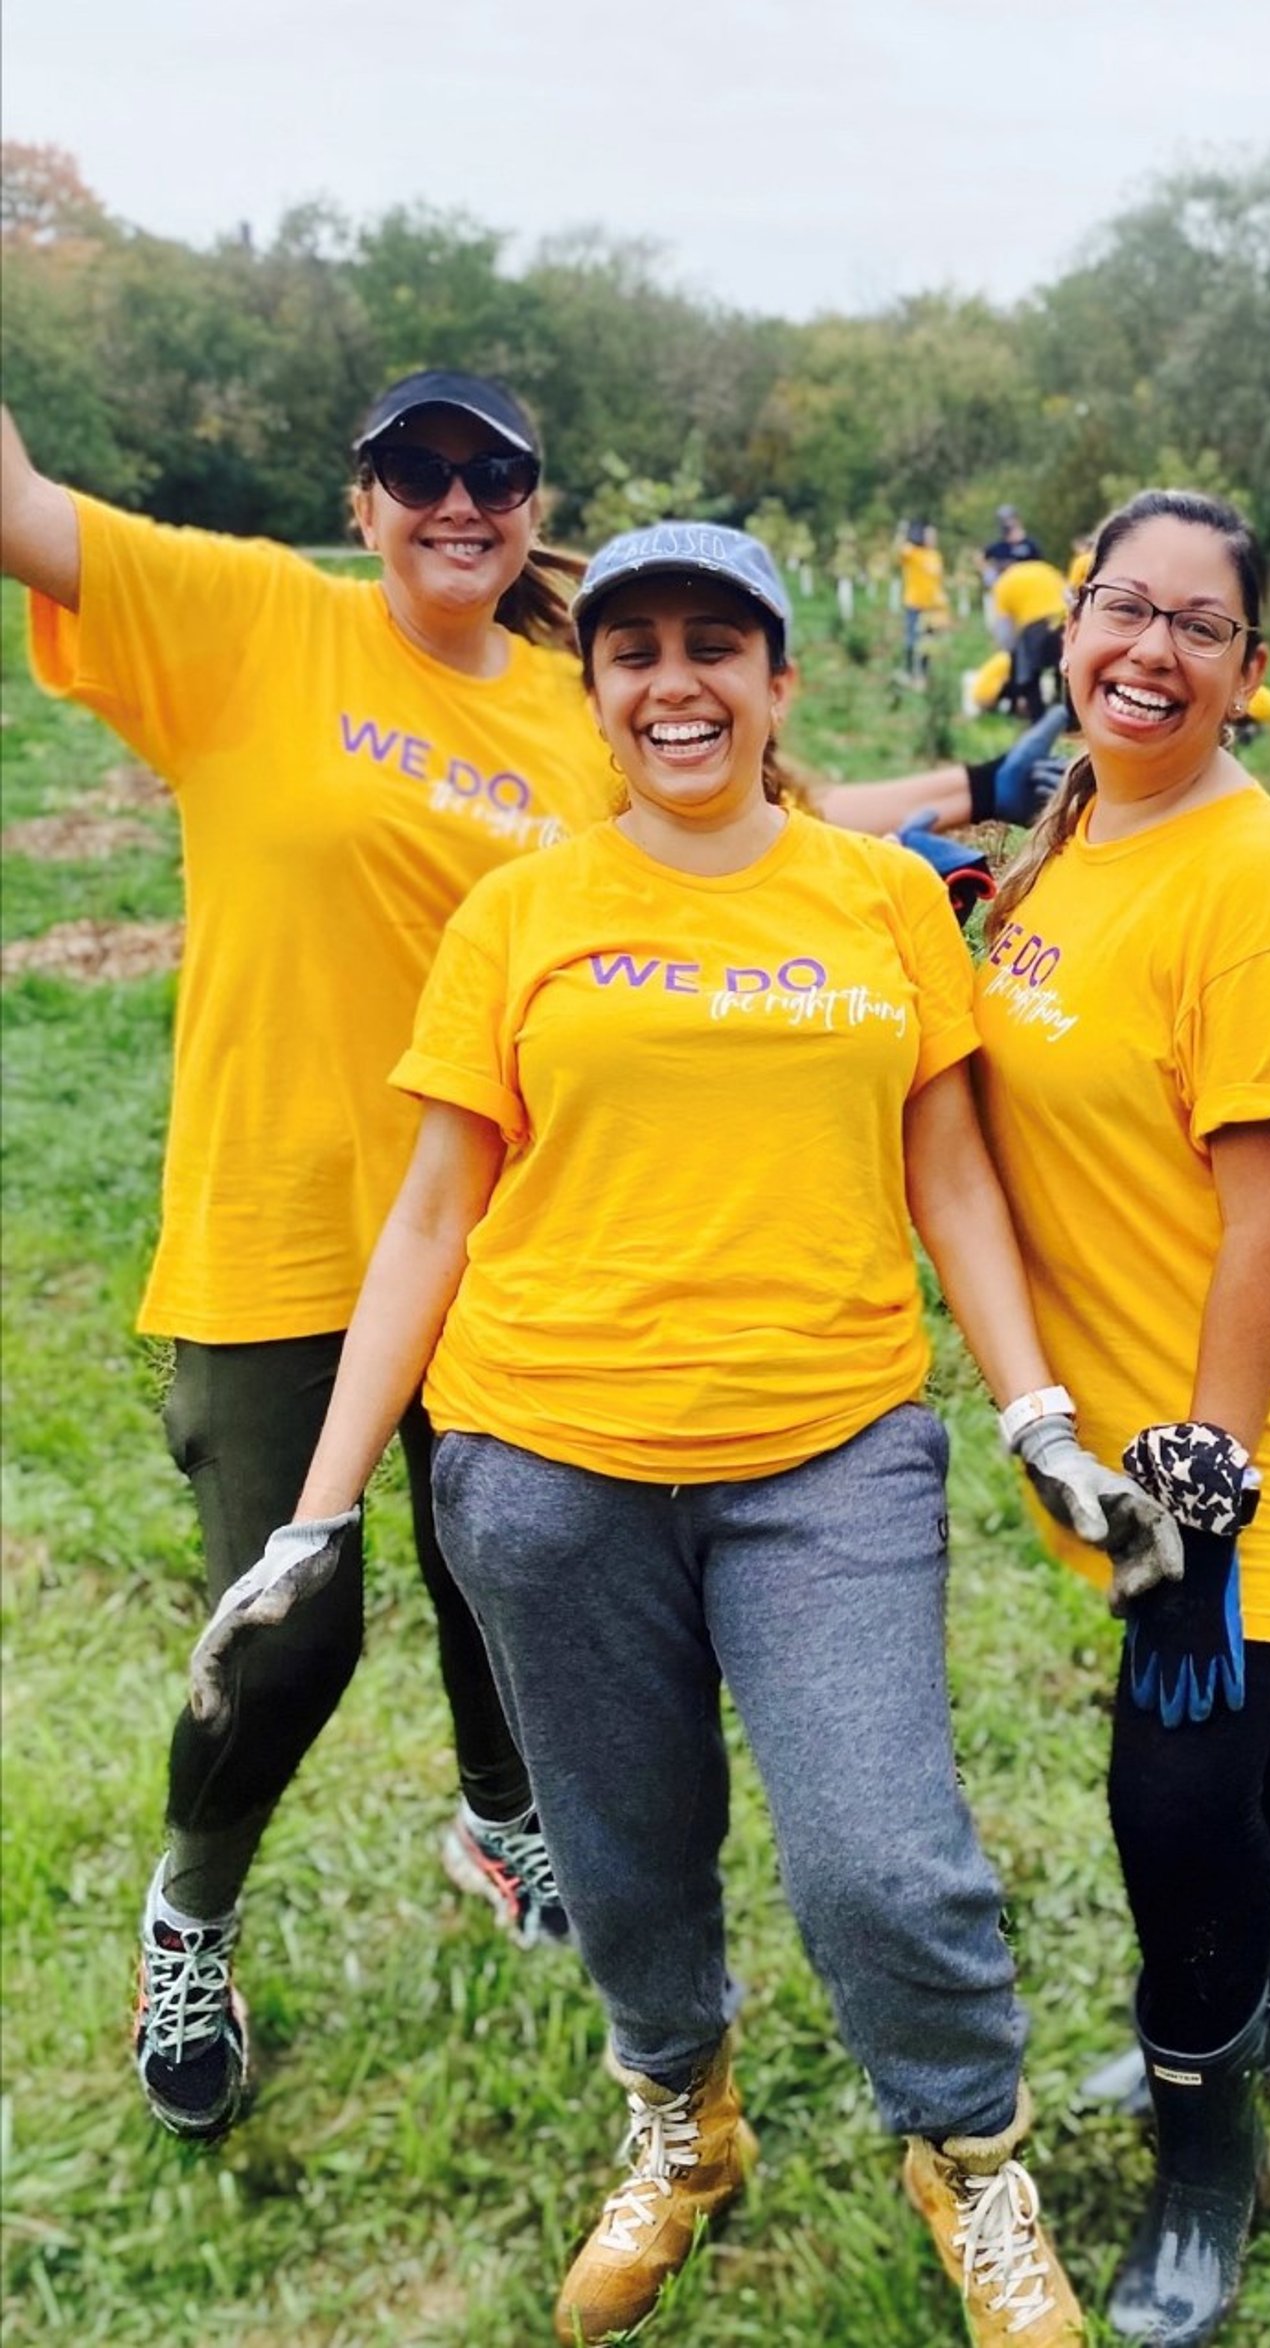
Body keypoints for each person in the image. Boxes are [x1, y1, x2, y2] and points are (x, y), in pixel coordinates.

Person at [0, 391, 1070, 2145]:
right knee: (288, 1633)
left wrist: (976, 792)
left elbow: (767, 823)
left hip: (530, 1243)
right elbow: (20, 502)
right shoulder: (244, 609)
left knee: (516, 1572)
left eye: (493, 473)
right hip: (293, 1233)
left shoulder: (581, 711)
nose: (456, 500)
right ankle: (189, 1912)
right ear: (364, 498)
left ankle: (504, 1817)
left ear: (531, 502)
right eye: (416, 470)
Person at [265, 520, 1184, 2344]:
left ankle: (970, 2162)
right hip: (544, 1462)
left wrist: (1037, 1412)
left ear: (775, 682)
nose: (672, 682)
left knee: (881, 1855)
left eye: (713, 646)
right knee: (620, 1843)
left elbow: (953, 1174)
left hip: (825, 1452)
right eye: (632, 654)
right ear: (597, 693)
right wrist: (315, 1517)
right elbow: (435, 1214)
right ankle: (681, 2121)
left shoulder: (877, 897)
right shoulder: (519, 911)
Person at [973, 489, 1270, 2347]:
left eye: (1199, 627)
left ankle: (1204, 2136)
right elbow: (944, 822)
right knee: (1254, 1710)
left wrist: (1200, 1467)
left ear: (1248, 670)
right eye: (1120, 610)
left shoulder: (1257, 886)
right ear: (1070, 626)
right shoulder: (1076, 808)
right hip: (1147, 1368)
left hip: (1255, 1385)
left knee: (1176, 1773)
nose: (1149, 650)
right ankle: (1267, 2003)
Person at [989, 555, 1070, 722]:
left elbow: (1005, 631)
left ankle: (1038, 720)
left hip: (1035, 627)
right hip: (1065, 620)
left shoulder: (1003, 583)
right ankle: (1071, 718)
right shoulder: (1045, 568)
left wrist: (1011, 652)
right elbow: (1068, 593)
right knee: (1065, 672)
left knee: (1029, 676)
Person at [896, 518, 948, 678]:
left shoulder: (936, 556)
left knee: (928, 643)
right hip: (915, 603)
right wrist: (902, 532)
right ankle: (909, 671)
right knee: (912, 639)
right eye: (929, 536)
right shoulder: (913, 552)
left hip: (931, 606)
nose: (933, 539)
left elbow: (938, 581)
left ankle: (924, 674)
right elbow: (899, 550)